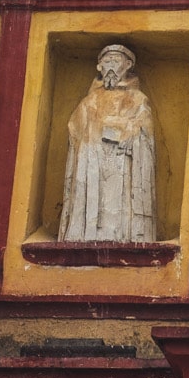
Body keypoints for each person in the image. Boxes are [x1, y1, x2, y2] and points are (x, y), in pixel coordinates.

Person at [58, 43, 159, 243]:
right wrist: (92, 136)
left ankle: (125, 237)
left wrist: (127, 132)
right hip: (93, 161)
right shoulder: (89, 101)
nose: (111, 65)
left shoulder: (138, 99)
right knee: (91, 199)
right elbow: (75, 130)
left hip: (122, 161)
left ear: (128, 65)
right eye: (106, 61)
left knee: (119, 203)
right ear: (99, 67)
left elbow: (145, 129)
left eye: (116, 60)